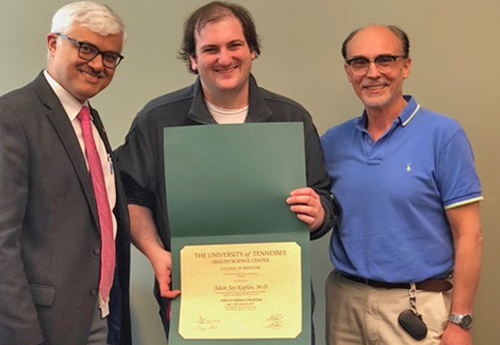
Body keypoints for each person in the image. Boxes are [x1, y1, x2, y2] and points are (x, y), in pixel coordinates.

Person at [115, 1, 336, 343]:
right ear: (192, 59)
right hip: (194, 297)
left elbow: (325, 201)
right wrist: (157, 255)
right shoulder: (157, 120)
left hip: (277, 299)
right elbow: (129, 194)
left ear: (252, 50)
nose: (224, 58)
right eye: (210, 49)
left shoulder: (291, 118)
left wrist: (319, 212)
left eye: (234, 45)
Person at [321, 24, 483, 345]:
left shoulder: (443, 135)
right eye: (360, 62)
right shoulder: (332, 142)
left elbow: (469, 234)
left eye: (385, 60)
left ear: (405, 66)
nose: (372, 73)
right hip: (345, 303)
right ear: (348, 71)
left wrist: (460, 321)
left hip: (416, 307)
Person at [0, 2, 131, 345]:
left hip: (99, 311)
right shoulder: (12, 116)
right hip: (43, 326)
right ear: (53, 43)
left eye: (110, 56)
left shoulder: (91, 119)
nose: (98, 64)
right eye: (86, 48)